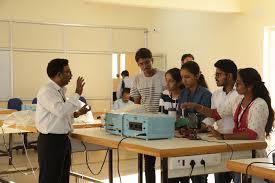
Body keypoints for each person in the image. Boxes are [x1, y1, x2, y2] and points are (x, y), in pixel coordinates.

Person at [182, 68, 274, 158]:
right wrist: (197, 106)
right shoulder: (239, 99)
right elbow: (217, 114)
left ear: (249, 86)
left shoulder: (259, 104)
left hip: (254, 154)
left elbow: (252, 134)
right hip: (238, 151)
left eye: (238, 83)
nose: (235, 86)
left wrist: (223, 136)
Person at [35, 58, 91, 183]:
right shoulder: (47, 91)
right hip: (51, 141)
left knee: (62, 177)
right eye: (68, 72)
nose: (71, 76)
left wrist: (76, 114)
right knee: (50, 178)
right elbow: (60, 111)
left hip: (62, 140)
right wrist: (77, 93)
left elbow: (60, 115)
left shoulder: (59, 91)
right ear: (59, 75)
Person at [130, 48, 166, 183]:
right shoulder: (138, 79)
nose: (145, 66)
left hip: (163, 122)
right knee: (148, 162)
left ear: (152, 60)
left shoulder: (163, 76)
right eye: (141, 64)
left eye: (147, 62)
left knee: (165, 160)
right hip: (146, 124)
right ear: (138, 65)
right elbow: (136, 102)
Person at [177, 61, 211, 183]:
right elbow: (179, 116)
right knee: (182, 173)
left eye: (187, 77)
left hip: (201, 138)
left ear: (197, 76)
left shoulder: (206, 94)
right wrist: (182, 125)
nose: (184, 80)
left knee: (199, 176)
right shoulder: (183, 93)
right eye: (182, 77)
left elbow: (205, 119)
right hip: (185, 138)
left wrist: (187, 123)